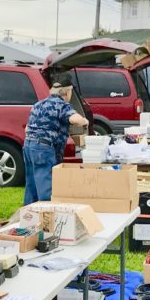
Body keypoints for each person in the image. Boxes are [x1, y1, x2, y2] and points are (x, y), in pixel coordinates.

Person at [22, 76, 90, 204]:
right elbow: (75, 119)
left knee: (32, 185)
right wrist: (85, 121)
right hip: (44, 149)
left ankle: (28, 217)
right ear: (67, 92)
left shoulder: (38, 104)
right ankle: (46, 217)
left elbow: (27, 128)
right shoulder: (61, 105)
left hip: (28, 146)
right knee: (46, 188)